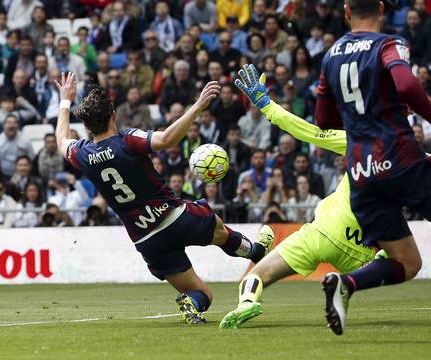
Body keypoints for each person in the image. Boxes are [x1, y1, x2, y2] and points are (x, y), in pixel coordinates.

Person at [54, 72, 272, 324]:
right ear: (113, 114)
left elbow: (61, 140)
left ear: (88, 126)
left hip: (147, 239)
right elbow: (167, 139)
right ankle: (254, 251)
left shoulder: (82, 154)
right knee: (217, 228)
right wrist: (199, 105)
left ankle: (192, 303)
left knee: (202, 294)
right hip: (174, 218)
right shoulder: (126, 141)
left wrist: (64, 101)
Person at [219, 63, 382, 330]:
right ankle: (350, 283)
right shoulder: (413, 162)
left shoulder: (360, 142)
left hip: (323, 232)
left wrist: (266, 104)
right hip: (363, 251)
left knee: (257, 274)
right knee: (401, 257)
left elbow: (307, 131)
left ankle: (246, 303)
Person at [315, 0, 431, 335]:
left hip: (362, 172)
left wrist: (357, 118)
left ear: (346, 12)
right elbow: (407, 85)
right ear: (381, 9)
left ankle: (346, 283)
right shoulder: (389, 44)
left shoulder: (331, 55)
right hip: (399, 157)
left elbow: (323, 119)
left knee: (408, 262)